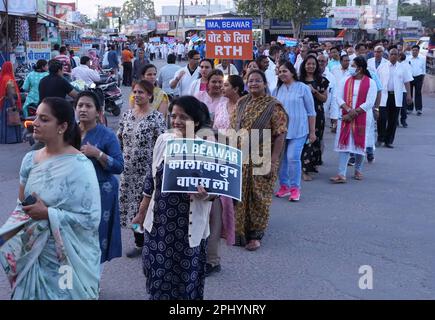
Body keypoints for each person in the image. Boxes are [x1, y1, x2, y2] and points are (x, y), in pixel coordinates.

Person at [0, 97, 101, 299]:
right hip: (32, 255)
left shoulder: (80, 166)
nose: (35, 123)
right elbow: (21, 206)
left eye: (44, 119)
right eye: (36, 117)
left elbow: (90, 219)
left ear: (62, 126)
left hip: (65, 259)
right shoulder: (30, 159)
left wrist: (48, 213)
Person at [132, 96, 215, 300]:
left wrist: (207, 194)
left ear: (195, 121)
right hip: (159, 224)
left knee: (185, 284)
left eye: (183, 117)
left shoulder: (207, 147)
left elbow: (218, 189)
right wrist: (141, 212)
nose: (176, 121)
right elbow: (151, 179)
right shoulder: (163, 140)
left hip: (188, 228)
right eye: (173, 116)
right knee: (157, 280)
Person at [231, 70, 288, 250]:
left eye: (258, 81)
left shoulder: (273, 106)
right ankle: (240, 232)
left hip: (262, 156)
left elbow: (280, 134)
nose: (254, 83)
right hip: (240, 155)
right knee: (238, 194)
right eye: (250, 80)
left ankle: (256, 236)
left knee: (258, 196)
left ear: (265, 83)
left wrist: (273, 160)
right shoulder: (241, 102)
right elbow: (233, 129)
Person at [117, 80, 166, 258]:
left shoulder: (157, 118)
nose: (137, 95)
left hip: (148, 172)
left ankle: (152, 241)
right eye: (135, 92)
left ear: (150, 96)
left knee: (146, 208)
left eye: (142, 93)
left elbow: (162, 145)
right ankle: (140, 242)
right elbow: (119, 141)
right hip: (128, 172)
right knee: (132, 209)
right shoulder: (126, 116)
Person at [75, 91, 124, 269]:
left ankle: (93, 283)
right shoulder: (68, 133)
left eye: (88, 106)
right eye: (80, 105)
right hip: (73, 194)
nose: (83, 109)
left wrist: (98, 154)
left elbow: (119, 165)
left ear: (98, 111)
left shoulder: (106, 135)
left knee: (97, 238)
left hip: (102, 193)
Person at [205, 75, 244, 276]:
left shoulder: (245, 106)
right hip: (215, 156)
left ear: (236, 88)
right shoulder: (220, 104)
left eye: (226, 84)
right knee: (212, 206)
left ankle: (213, 258)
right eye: (219, 83)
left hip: (236, 158)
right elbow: (213, 127)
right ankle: (208, 255)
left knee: (224, 204)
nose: (221, 87)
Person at [273, 61, 316, 201]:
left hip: (299, 130)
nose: (282, 74)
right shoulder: (277, 90)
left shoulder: (303, 88)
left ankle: (295, 188)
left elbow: (311, 112)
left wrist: (312, 132)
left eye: (285, 71)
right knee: (282, 160)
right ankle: (284, 186)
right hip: (281, 132)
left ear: (292, 72)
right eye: (280, 72)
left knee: (292, 157)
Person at [330, 57, 377, 183]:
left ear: (360, 68)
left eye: (353, 65)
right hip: (346, 115)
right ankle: (341, 174)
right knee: (344, 142)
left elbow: (370, 102)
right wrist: (347, 109)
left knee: (359, 142)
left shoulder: (370, 82)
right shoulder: (345, 80)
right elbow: (338, 97)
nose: (350, 67)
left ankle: (358, 170)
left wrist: (353, 113)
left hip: (362, 117)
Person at [299, 55, 329, 181]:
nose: (310, 66)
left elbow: (324, 98)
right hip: (302, 114)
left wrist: (314, 91)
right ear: (304, 65)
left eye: (313, 64)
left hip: (317, 113)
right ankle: (304, 169)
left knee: (316, 139)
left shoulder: (322, 80)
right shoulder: (298, 81)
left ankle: (313, 164)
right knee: (305, 141)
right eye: (308, 64)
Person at [376, 48, 413, 148]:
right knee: (382, 118)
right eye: (392, 54)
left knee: (393, 120)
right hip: (383, 96)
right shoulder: (382, 67)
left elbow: (407, 81)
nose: (393, 56)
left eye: (396, 54)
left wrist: (409, 95)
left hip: (396, 97)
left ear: (398, 56)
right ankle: (380, 138)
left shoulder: (402, 67)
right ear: (388, 56)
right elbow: (377, 81)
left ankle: (389, 141)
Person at [0, 61, 22, 144]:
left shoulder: (2, 78)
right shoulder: (9, 79)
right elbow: (11, 94)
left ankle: (4, 139)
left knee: (4, 121)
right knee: (11, 120)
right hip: (9, 102)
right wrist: (14, 105)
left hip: (3, 103)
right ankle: (11, 139)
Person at [407, 45, 426, 116]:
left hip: (419, 77)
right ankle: (409, 108)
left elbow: (423, 70)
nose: (414, 51)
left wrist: (422, 79)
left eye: (416, 50)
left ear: (418, 51)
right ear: (411, 51)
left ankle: (419, 109)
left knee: (418, 93)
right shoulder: (408, 58)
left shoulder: (422, 59)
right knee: (410, 93)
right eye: (413, 50)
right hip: (410, 77)